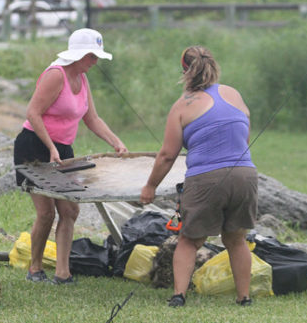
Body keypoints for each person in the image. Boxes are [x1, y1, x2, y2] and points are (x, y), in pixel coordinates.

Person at [140, 46, 258, 307]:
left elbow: (167, 156)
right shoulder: (233, 94)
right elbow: (244, 136)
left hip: (206, 179)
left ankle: (179, 296)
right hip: (245, 175)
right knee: (237, 239)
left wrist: (150, 186)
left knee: (189, 240)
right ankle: (244, 298)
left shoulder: (182, 106)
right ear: (213, 66)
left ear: (185, 71)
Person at [14, 28, 127, 284]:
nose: (95, 61)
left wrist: (116, 142)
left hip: (63, 150)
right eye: (92, 56)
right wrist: (50, 147)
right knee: (46, 213)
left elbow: (92, 118)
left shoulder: (82, 78)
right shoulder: (56, 75)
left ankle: (62, 273)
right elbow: (33, 113)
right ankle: (35, 268)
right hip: (34, 147)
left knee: (70, 210)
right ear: (78, 55)